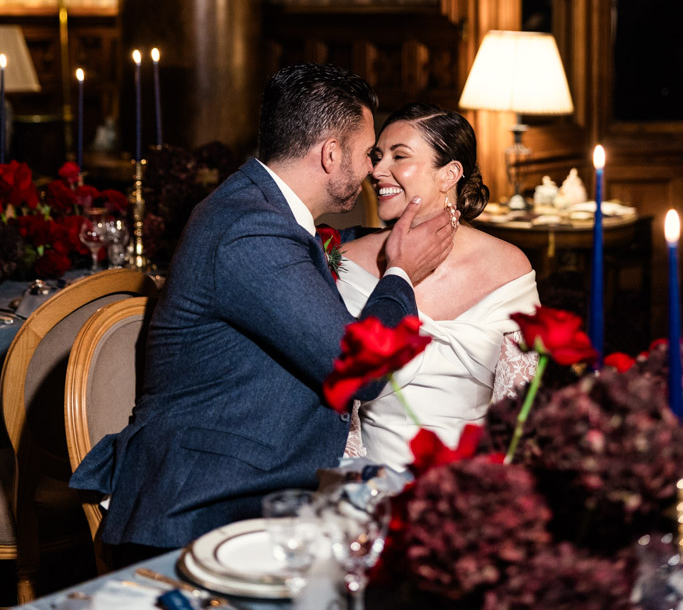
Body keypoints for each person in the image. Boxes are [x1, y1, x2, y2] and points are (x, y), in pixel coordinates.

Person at [70, 65, 455, 555]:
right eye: (366, 154)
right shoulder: (251, 228)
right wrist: (401, 272)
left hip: (256, 491)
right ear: (331, 154)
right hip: (204, 505)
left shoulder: (259, 209)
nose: (369, 172)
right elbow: (360, 372)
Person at [336, 102, 539, 471]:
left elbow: (517, 413)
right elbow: (335, 406)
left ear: (449, 174)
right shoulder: (346, 261)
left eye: (400, 156)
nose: (377, 170)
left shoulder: (509, 268)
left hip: (473, 488)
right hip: (367, 486)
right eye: (378, 156)